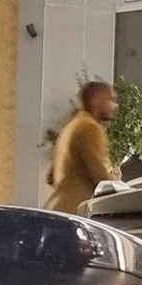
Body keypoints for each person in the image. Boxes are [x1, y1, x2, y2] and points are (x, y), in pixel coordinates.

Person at [46, 81, 120, 214]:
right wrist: (122, 194)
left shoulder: (72, 125)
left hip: (58, 207)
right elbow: (99, 177)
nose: (114, 105)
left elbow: (50, 177)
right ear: (95, 100)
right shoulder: (90, 128)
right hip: (77, 212)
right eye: (110, 99)